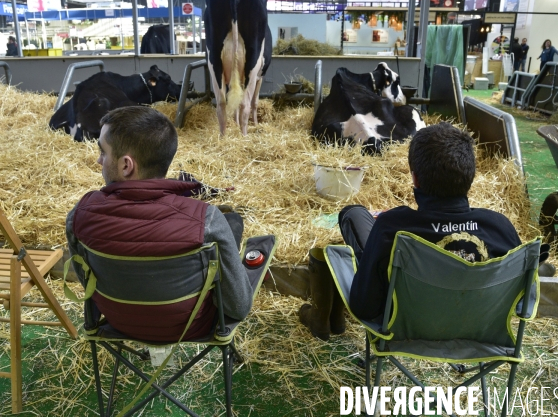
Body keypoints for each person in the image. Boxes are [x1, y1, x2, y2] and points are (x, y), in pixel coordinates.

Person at [299, 122, 525, 335]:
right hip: (479, 330)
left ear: (415, 179)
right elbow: (522, 300)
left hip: (401, 328)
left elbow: (364, 308)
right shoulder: (498, 227)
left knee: (353, 214)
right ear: (471, 177)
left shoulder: (394, 227)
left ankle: (324, 311)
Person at [66, 106, 253, 341]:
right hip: (191, 328)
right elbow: (238, 307)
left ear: (126, 165)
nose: (98, 160)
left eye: (103, 152)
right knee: (233, 221)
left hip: (118, 323)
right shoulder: (206, 219)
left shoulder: (80, 215)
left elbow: (88, 285)